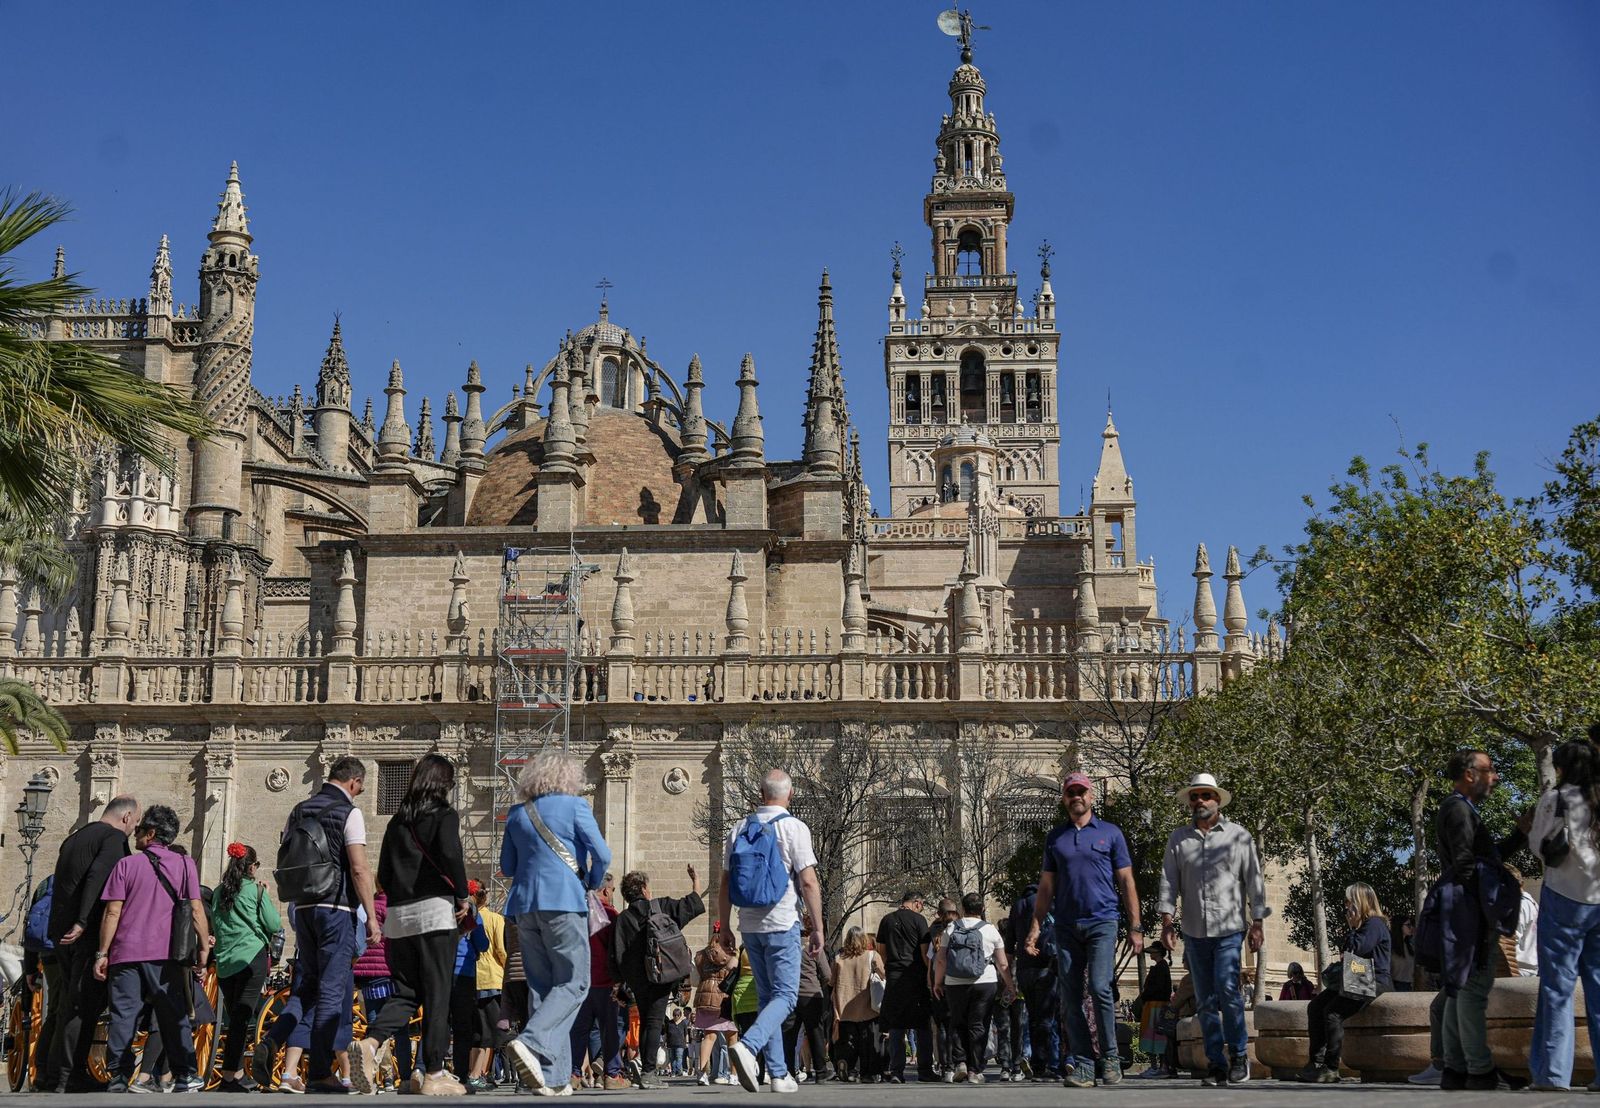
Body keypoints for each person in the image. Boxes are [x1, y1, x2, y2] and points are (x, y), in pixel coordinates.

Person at [349, 753, 470, 1096]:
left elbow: (383, 874)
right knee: (437, 994)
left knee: (406, 992)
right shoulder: (444, 815)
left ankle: (371, 1043)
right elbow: (450, 853)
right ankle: (432, 1072)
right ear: (443, 784)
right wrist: (462, 894)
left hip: (399, 920)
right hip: (434, 915)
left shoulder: (396, 822)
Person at [501, 750, 612, 1098]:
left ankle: (554, 1077)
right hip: (563, 901)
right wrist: (591, 881)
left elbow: (507, 866)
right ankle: (531, 1042)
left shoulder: (518, 813)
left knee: (544, 989)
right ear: (569, 778)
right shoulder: (575, 807)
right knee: (575, 983)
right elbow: (603, 854)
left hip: (524, 907)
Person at [1025, 770, 1143, 1088]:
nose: (1077, 797)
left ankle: (1111, 1059)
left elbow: (1127, 881)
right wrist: (1036, 927)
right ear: (1064, 799)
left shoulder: (1111, 833)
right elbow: (1046, 887)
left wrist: (1136, 927)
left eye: (1081, 792)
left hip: (1103, 922)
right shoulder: (1056, 838)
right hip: (1065, 926)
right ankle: (1085, 1064)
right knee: (1070, 995)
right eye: (1071, 792)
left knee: (1101, 989)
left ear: (1091, 796)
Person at [1157, 771, 1270, 1088]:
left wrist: (1257, 923)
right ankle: (1217, 1065)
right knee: (1205, 1001)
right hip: (1194, 932)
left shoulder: (1238, 836)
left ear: (1217, 800)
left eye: (1205, 795)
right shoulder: (1179, 839)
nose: (1199, 801)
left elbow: (1255, 883)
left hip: (1230, 930)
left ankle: (1239, 1057)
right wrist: (1167, 922)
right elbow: (1169, 882)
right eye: (1194, 796)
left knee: (1227, 991)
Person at [718, 769, 825, 1095]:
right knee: (786, 996)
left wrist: (723, 926)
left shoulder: (739, 828)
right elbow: (807, 881)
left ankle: (779, 1074)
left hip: (749, 925)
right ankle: (749, 1046)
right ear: (789, 795)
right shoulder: (794, 827)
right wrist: (818, 926)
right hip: (782, 923)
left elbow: (724, 883)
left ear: (760, 794)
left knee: (768, 998)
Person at [92, 804, 212, 1093]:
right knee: (174, 1016)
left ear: (152, 833)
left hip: (126, 953)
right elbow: (196, 909)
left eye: (142, 829)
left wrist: (102, 953)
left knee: (124, 1015)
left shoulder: (126, 866)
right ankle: (184, 1075)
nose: (136, 833)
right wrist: (203, 951)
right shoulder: (185, 865)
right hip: (167, 954)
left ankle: (119, 1076)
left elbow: (112, 912)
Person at [279, 756, 379, 1092]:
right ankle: (321, 1072)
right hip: (335, 907)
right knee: (332, 992)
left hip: (302, 908)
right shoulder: (348, 812)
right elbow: (359, 869)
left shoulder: (298, 810)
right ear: (353, 782)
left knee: (307, 987)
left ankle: (271, 1041)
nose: (359, 793)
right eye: (361, 787)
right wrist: (371, 917)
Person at [1433, 748, 1530, 1091]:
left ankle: (1457, 1069)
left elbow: (1486, 858)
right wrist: (1487, 907)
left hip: (1466, 911)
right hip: (1470, 913)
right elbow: (1466, 865)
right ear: (1470, 775)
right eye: (1490, 770)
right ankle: (1479, 1069)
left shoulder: (1460, 809)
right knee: (1472, 991)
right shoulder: (1458, 809)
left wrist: (1520, 834)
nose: (1496, 777)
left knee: (1460, 992)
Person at [46, 793, 139, 1093]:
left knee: (64, 1006)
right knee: (81, 1005)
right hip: (84, 934)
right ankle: (67, 1075)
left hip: (60, 933)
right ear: (126, 818)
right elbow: (99, 878)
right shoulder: (112, 839)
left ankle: (49, 1073)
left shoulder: (76, 838)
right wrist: (84, 921)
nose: (133, 831)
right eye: (135, 824)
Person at [1529, 736, 1600, 1091]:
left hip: (1564, 897)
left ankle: (1554, 1074)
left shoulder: (1557, 799)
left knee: (1558, 989)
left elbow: (1538, 846)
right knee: (1599, 987)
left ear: (1562, 767)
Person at [611, 866, 704, 1088]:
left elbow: (615, 955)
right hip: (661, 975)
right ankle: (649, 1073)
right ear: (644, 889)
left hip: (637, 981)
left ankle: (646, 1068)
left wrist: (620, 985)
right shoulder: (660, 907)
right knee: (653, 1022)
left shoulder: (623, 919)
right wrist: (696, 881)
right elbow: (692, 905)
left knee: (646, 1021)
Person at [1296, 883, 1391, 1083]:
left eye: (1350, 902)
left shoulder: (1374, 924)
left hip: (1374, 980)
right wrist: (1353, 928)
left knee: (1333, 1012)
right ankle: (1316, 1062)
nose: (1347, 907)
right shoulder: (1363, 926)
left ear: (1361, 902)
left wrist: (1353, 928)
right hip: (1357, 977)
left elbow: (1356, 949)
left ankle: (1331, 1067)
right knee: (1316, 1006)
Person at [210, 842, 281, 1091]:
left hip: (225, 963)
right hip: (251, 958)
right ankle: (229, 1076)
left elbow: (216, 926)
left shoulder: (219, 892)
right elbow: (273, 925)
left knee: (236, 1018)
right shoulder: (256, 890)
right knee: (242, 1017)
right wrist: (266, 896)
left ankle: (237, 1073)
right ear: (252, 866)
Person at [933, 890, 1014, 1084]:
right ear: (983, 909)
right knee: (979, 1025)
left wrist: (937, 982)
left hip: (955, 982)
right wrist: (1009, 984)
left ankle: (960, 1062)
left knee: (957, 1022)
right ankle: (974, 1071)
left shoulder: (951, 928)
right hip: (984, 982)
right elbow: (1002, 963)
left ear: (962, 908)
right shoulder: (990, 930)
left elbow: (941, 960)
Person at [353, 888, 413, 1091]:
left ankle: (370, 1078)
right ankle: (404, 1077)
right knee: (401, 1032)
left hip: (367, 976)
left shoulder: (365, 907)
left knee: (373, 1027)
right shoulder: (394, 908)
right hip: (389, 973)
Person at [876, 890, 936, 1083]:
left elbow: (881, 951)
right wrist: (930, 975)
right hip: (915, 976)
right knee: (922, 1025)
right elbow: (925, 952)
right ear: (917, 903)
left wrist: (889, 968)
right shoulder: (919, 921)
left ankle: (896, 1071)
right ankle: (925, 1070)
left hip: (894, 976)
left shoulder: (886, 920)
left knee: (896, 1025)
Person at [569, 886, 626, 1090]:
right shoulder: (610, 914)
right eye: (611, 889)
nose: (612, 893)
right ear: (605, 889)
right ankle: (612, 1075)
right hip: (606, 982)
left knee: (578, 1030)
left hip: (581, 981)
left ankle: (574, 1074)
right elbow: (619, 949)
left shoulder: (577, 912)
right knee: (610, 1030)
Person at [1007, 883, 1058, 1082]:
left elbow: (1009, 942)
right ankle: (1044, 1064)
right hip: (1046, 966)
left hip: (1024, 969)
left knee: (1033, 1016)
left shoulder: (1017, 906)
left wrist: (1009, 979)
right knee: (1046, 1019)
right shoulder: (1049, 903)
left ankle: (1036, 1063)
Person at [468, 881, 509, 1089]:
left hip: (471, 979)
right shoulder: (495, 919)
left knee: (476, 1032)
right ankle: (478, 1074)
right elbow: (501, 950)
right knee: (490, 1034)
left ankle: (472, 1072)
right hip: (492, 978)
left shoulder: (464, 916)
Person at [830, 926, 884, 1082]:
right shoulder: (872, 955)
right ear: (864, 940)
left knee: (848, 1041)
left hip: (844, 1007)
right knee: (868, 1042)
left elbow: (831, 981)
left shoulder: (839, 958)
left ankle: (848, 1066)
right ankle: (868, 1073)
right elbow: (883, 974)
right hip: (867, 1006)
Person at [782, 924, 831, 1082]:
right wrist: (820, 984)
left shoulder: (787, 947)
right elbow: (827, 974)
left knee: (789, 1035)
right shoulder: (814, 947)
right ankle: (821, 1072)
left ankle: (788, 1071)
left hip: (791, 995)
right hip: (811, 995)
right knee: (815, 1034)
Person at [691, 925, 739, 1086]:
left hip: (705, 999)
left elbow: (695, 977)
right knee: (732, 1037)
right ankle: (733, 1075)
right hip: (725, 999)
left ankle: (702, 1073)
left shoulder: (701, 955)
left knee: (709, 1036)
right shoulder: (731, 954)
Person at [1132, 940, 1174, 1076]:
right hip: (1153, 1005)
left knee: (1157, 1036)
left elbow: (1159, 988)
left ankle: (1160, 1067)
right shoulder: (1160, 966)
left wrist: (1145, 995)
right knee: (1152, 1036)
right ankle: (1156, 1066)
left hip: (1157, 1006)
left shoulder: (1161, 967)